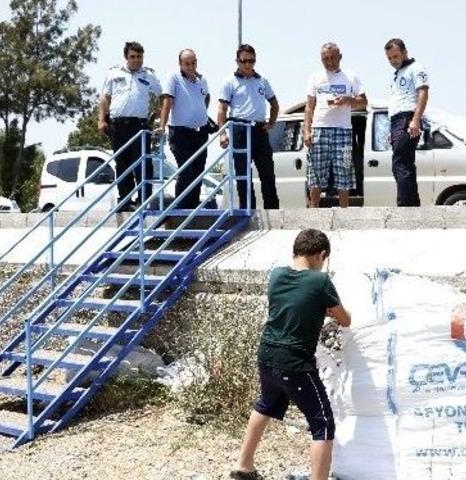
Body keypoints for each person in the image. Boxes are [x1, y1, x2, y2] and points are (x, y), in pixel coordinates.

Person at [231, 228, 351, 480]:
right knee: (323, 424)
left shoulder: (276, 275)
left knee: (265, 404)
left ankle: (243, 464)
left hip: (267, 355)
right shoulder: (320, 281)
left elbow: (295, 302)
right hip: (294, 363)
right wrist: (328, 309)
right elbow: (344, 319)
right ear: (321, 255)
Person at [98, 41, 162, 211]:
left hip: (139, 126)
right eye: (132, 57)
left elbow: (163, 96)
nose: (136, 60)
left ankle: (144, 200)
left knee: (143, 163)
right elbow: (105, 98)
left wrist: (159, 115)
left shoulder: (149, 75)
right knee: (122, 163)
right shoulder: (114, 73)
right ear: (126, 57)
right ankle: (125, 200)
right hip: (118, 125)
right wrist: (101, 120)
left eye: (139, 57)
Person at [303, 43, 368, 208]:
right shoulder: (315, 78)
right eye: (325, 59)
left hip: (343, 130)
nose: (329, 62)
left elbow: (364, 102)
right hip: (319, 129)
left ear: (340, 57)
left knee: (343, 171)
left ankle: (344, 212)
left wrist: (348, 100)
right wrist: (306, 131)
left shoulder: (351, 77)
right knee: (316, 171)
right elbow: (309, 106)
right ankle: (314, 211)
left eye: (333, 58)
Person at [217, 44, 280, 210]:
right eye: (244, 61)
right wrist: (222, 134)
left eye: (251, 61)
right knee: (243, 174)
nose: (247, 64)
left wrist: (271, 123)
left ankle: (272, 210)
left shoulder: (262, 81)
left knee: (267, 172)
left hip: (259, 130)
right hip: (239, 129)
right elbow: (222, 110)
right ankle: (248, 210)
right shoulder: (229, 82)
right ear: (237, 61)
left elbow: (274, 103)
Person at [159, 48, 214, 209]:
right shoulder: (174, 78)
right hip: (180, 132)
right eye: (187, 64)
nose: (191, 67)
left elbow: (206, 98)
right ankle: (181, 208)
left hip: (200, 132)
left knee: (198, 170)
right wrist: (162, 125)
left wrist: (201, 114)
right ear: (180, 64)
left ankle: (193, 207)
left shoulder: (202, 80)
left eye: (193, 63)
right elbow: (167, 102)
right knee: (186, 170)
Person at [384, 38, 429, 207]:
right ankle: (412, 203)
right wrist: (391, 129)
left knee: (401, 163)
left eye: (396, 56)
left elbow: (423, 93)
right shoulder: (397, 74)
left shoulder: (415, 68)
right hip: (397, 121)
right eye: (389, 58)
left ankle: (405, 205)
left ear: (405, 52)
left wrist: (415, 120)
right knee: (403, 164)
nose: (393, 61)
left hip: (408, 118)